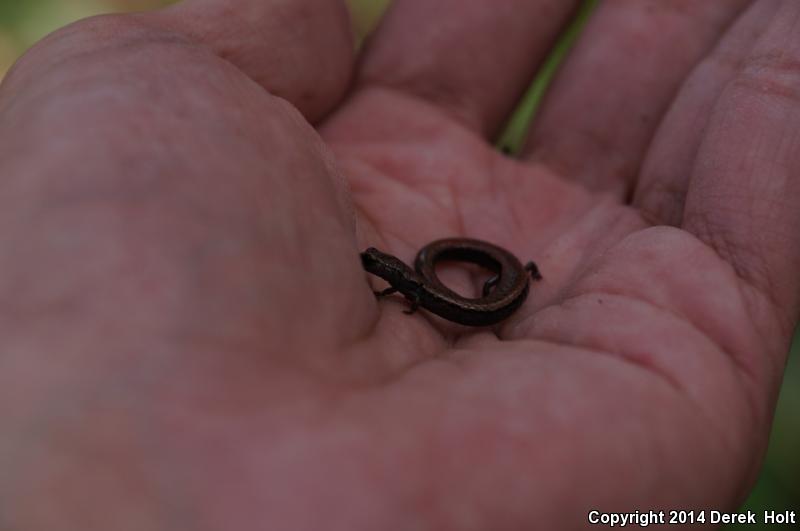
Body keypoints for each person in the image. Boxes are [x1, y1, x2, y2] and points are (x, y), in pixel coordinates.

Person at [0, 0, 797, 529]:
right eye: (388, 268)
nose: (387, 270)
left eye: (384, 267)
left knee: (481, 281)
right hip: (485, 290)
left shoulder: (415, 287)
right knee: (464, 278)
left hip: (495, 292)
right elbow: (410, 287)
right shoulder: (407, 281)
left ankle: (510, 280)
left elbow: (415, 292)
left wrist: (491, 289)